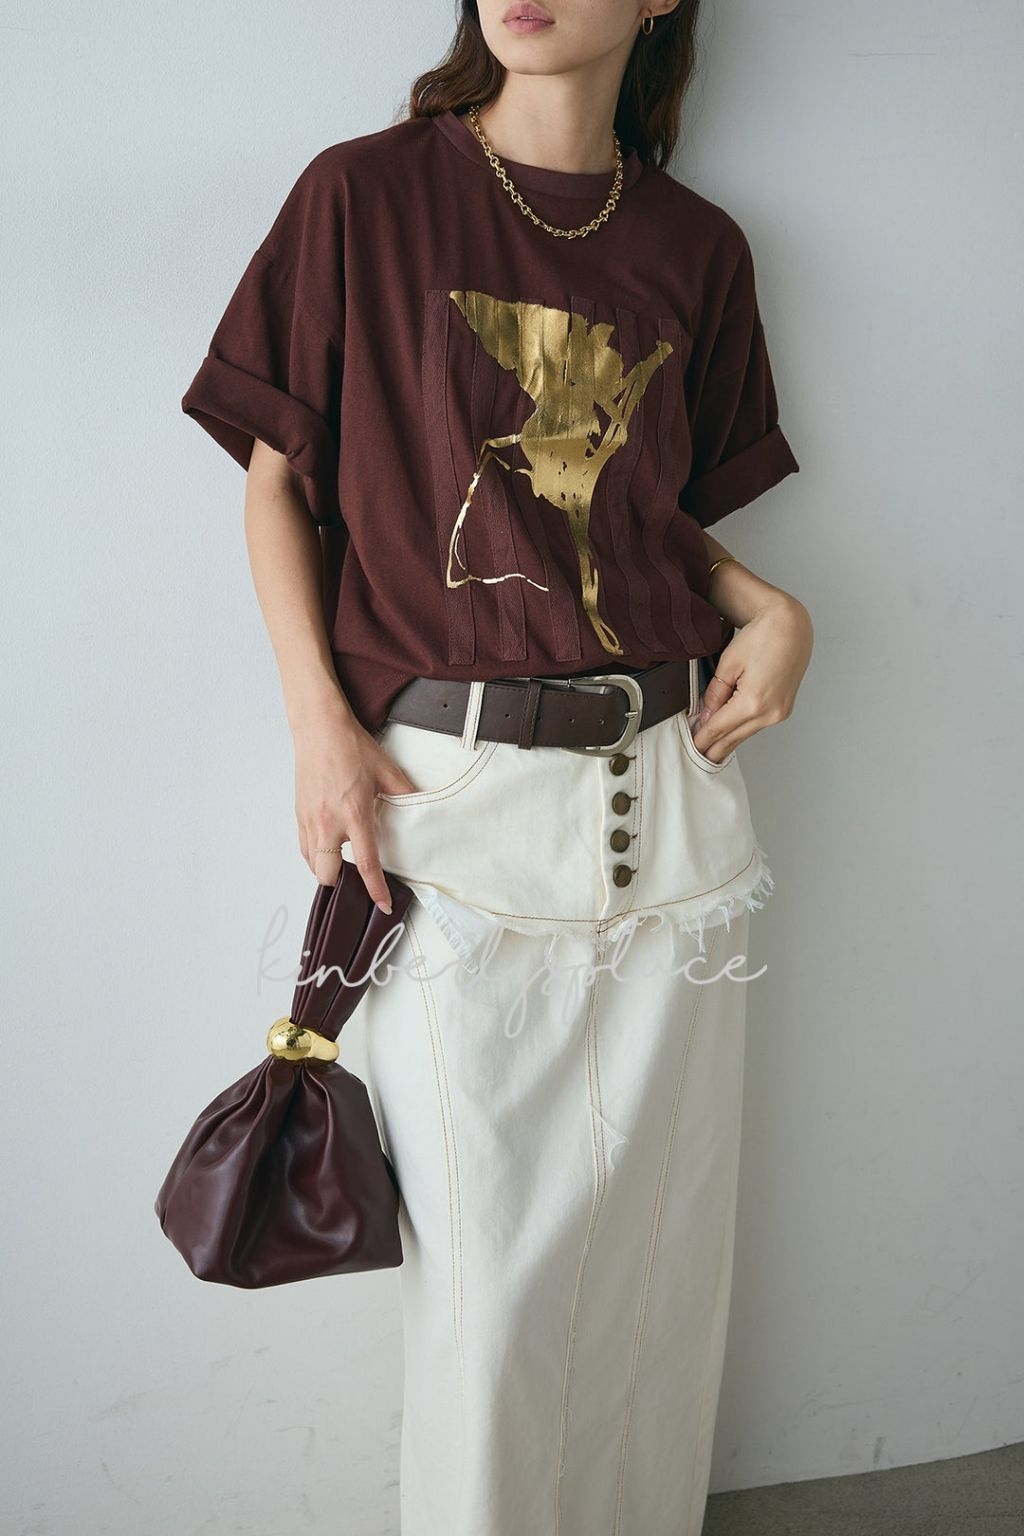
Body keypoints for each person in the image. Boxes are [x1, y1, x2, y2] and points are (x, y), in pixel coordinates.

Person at [181, 2, 813, 1530]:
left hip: (671, 795)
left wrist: (772, 606)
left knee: (661, 1274)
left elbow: (642, 514)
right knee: (491, 1291)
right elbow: (276, 489)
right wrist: (319, 723)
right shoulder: (365, 195)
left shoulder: (700, 247)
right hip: (449, 807)